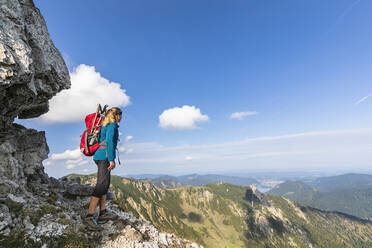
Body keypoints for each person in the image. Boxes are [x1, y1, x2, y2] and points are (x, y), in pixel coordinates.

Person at [83, 107, 122, 231]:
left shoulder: (104, 125)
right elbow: (109, 141)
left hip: (100, 156)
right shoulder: (112, 125)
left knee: (105, 185)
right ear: (116, 115)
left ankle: (103, 212)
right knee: (101, 185)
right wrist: (111, 159)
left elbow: (102, 141)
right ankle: (89, 216)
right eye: (120, 114)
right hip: (104, 157)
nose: (121, 117)